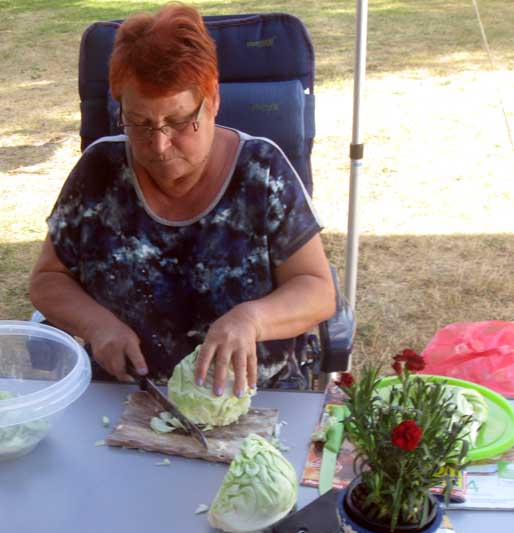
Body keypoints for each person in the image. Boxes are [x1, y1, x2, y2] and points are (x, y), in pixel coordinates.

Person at [29, 3, 335, 396]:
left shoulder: (263, 172)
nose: (158, 144)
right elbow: (48, 280)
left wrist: (252, 319)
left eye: (177, 121)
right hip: (124, 397)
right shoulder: (98, 171)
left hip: (251, 402)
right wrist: (96, 325)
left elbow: (317, 289)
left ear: (213, 102)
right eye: (138, 122)